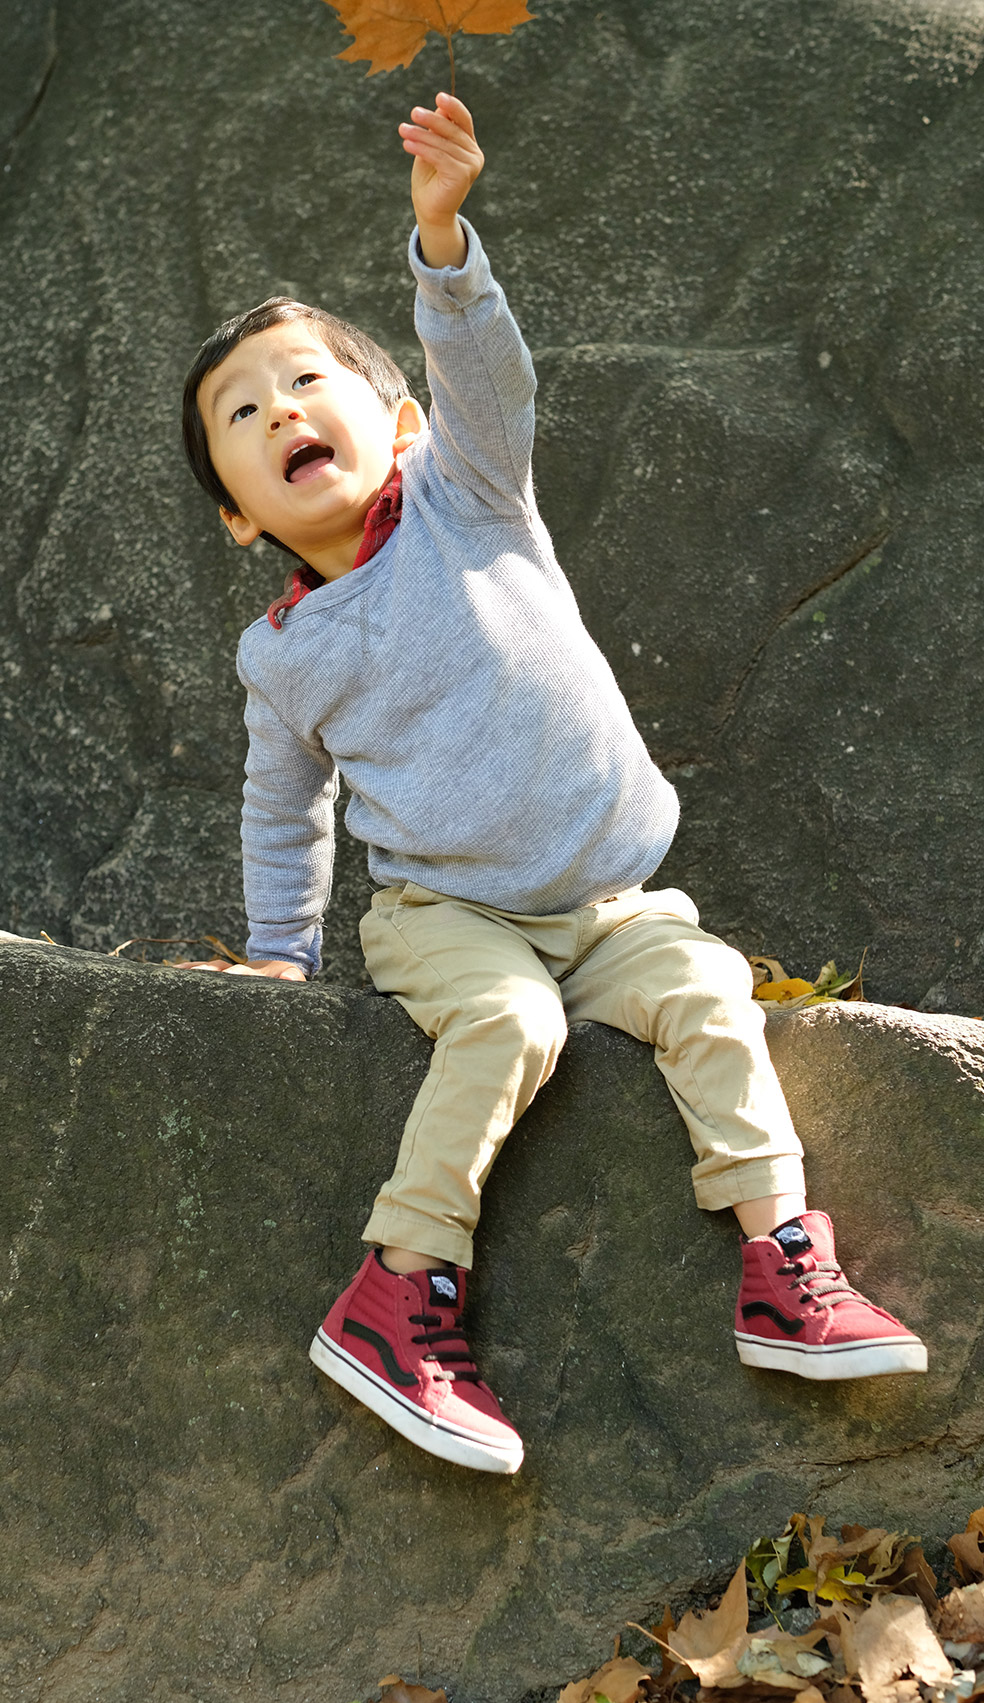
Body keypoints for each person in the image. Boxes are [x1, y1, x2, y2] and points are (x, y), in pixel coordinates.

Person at [176, 93, 926, 1475]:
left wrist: (443, 240)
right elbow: (286, 810)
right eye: (243, 410)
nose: (281, 406)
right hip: (447, 915)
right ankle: (397, 1292)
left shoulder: (470, 490)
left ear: (396, 420)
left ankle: (782, 1267)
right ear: (237, 511)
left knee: (709, 995)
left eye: (308, 381)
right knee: (511, 1026)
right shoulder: (281, 654)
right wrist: (283, 956)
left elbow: (486, 376)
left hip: (610, 899)